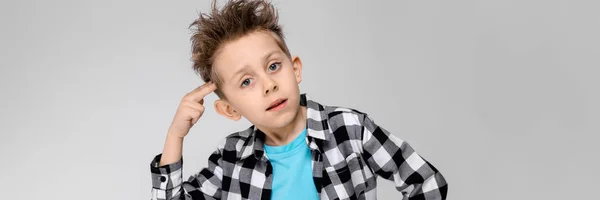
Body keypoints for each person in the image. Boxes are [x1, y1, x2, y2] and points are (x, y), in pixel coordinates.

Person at [150, 0, 448, 199]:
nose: (268, 85)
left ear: (296, 69)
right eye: (246, 81)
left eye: (273, 66)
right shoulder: (232, 156)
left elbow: (425, 181)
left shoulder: (349, 130)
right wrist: (175, 136)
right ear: (229, 109)